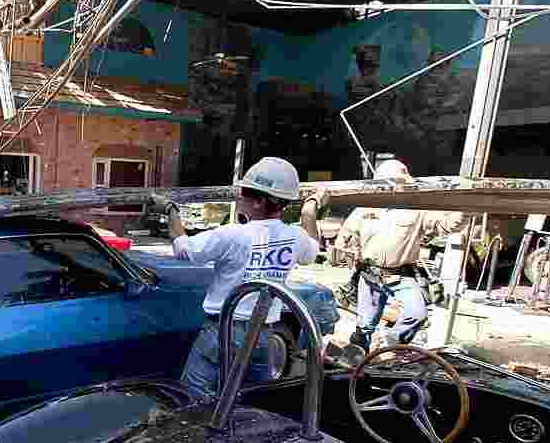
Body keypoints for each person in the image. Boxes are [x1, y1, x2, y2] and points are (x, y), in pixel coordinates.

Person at [148, 156, 325, 396]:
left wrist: (170, 209)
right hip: (262, 334)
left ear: (260, 202)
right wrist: (311, 208)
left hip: (224, 330)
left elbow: (184, 250)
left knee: (192, 393)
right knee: (254, 397)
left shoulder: (233, 236)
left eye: (244, 193)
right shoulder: (294, 237)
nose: (239, 196)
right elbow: (312, 249)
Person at [335, 158, 466, 352]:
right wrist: (344, 252)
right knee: (364, 326)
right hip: (369, 276)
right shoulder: (363, 210)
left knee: (417, 314)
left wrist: (466, 209)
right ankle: (358, 360)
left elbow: (447, 225)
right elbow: (344, 239)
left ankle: (390, 343)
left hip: (400, 275)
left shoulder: (418, 210)